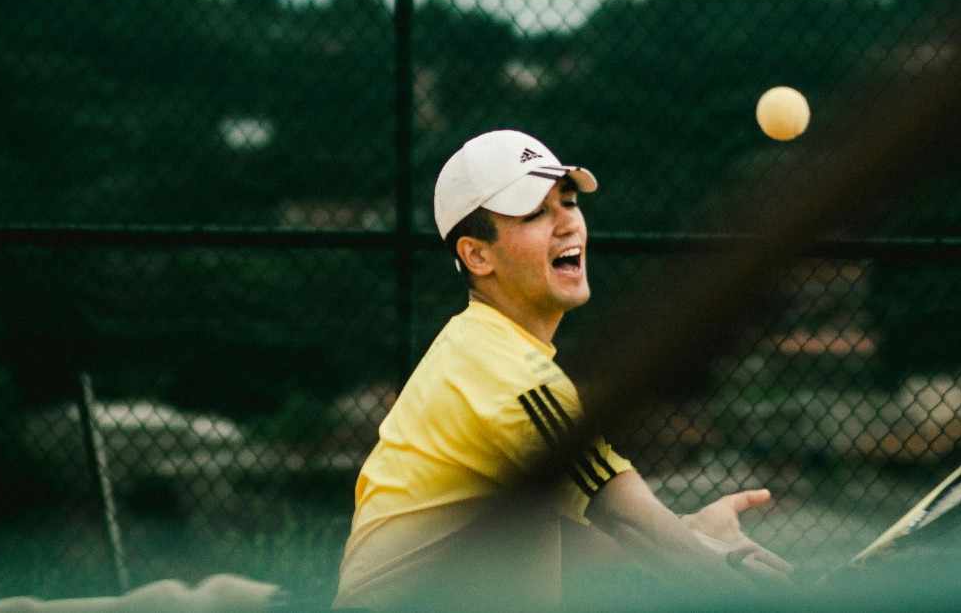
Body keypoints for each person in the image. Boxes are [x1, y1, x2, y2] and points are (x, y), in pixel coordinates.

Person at [333, 129, 790, 610]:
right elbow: (631, 523)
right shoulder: (508, 374)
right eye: (534, 213)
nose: (567, 224)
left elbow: (562, 545)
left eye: (568, 202)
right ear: (477, 255)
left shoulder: (476, 348)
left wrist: (692, 530)